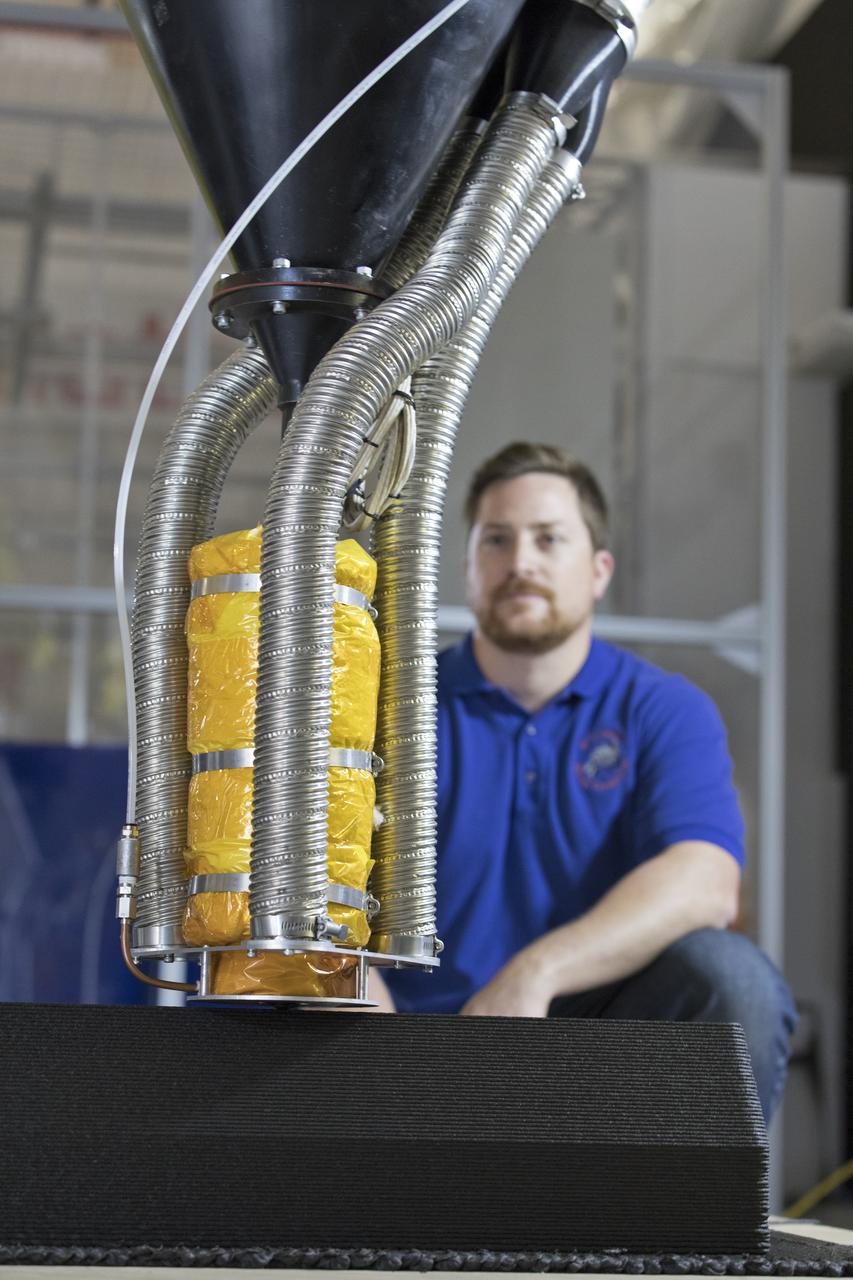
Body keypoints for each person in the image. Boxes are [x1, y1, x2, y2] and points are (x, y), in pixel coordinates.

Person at [376, 441, 796, 1125]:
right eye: (497, 540)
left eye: (548, 539)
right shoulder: (391, 710)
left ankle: (689, 1200)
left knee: (732, 978)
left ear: (599, 571)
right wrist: (367, 1036)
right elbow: (319, 886)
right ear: (468, 567)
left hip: (596, 1052)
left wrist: (533, 974)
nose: (521, 563)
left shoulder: (663, 709)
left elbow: (704, 881)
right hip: (415, 1045)